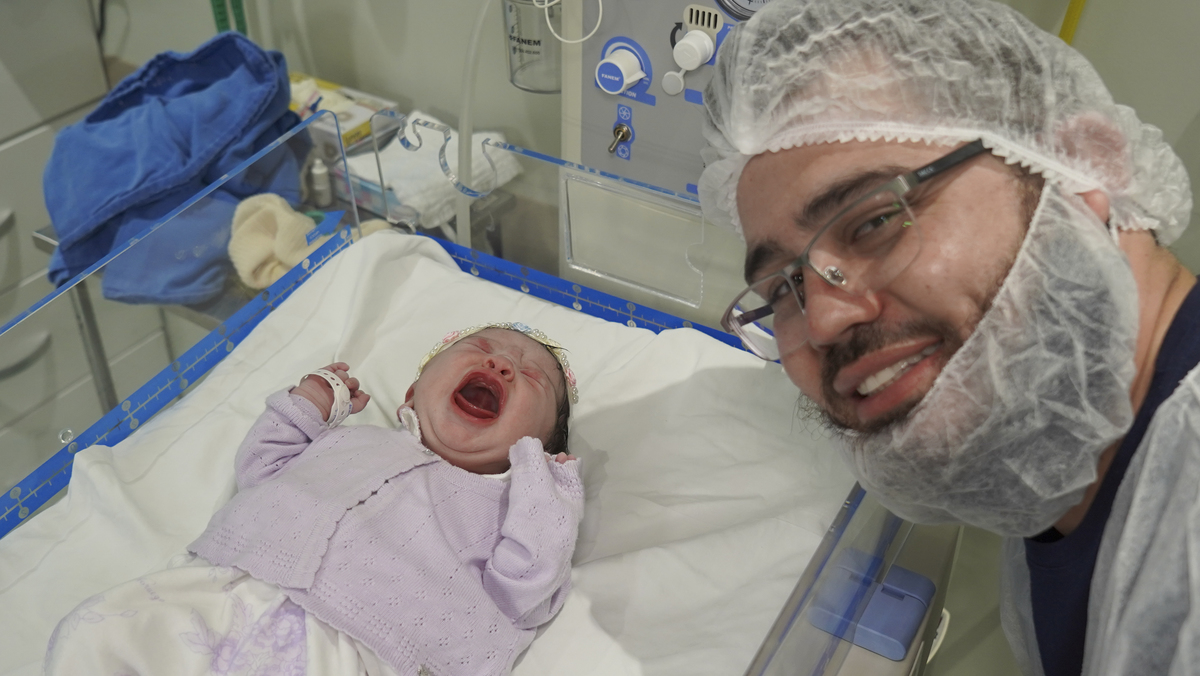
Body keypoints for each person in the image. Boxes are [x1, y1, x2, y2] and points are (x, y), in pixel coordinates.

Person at [698, 1, 1197, 675]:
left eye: (873, 220)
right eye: (784, 287)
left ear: (1084, 165)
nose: (821, 322)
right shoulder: (1059, 463)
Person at [44, 322, 583, 676]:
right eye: (481, 349)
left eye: (531, 377)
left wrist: (545, 491)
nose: (502, 366)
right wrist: (305, 406)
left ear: (540, 448)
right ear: (413, 392)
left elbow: (523, 588)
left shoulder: (505, 506)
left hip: (353, 644)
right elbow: (260, 470)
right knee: (100, 632)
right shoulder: (349, 440)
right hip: (227, 587)